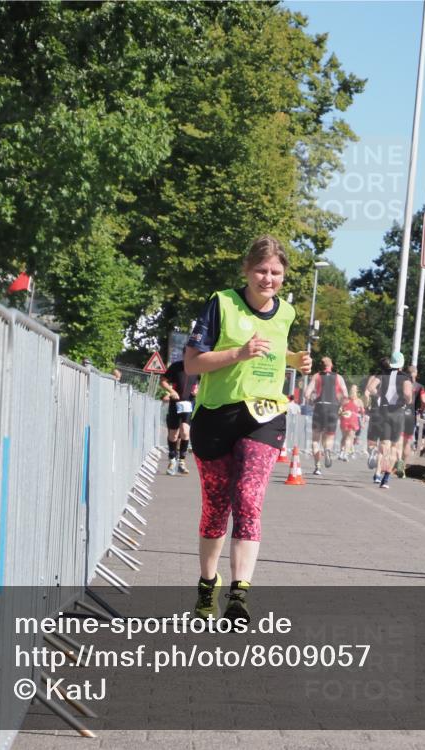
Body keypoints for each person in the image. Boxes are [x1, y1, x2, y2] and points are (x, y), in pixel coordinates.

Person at [184, 236, 311, 621]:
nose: (268, 278)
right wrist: (238, 353)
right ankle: (208, 586)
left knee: (249, 498)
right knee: (216, 507)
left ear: (284, 275)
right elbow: (191, 363)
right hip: (215, 416)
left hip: (264, 416)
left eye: (275, 272)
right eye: (261, 270)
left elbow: (273, 348)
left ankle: (240, 595)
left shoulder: (286, 313)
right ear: (246, 270)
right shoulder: (221, 303)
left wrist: (295, 359)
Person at [365, 353, 412, 489]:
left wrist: (379, 394)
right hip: (397, 412)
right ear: (401, 364)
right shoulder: (405, 378)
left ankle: (377, 470)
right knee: (394, 447)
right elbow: (408, 394)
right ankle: (385, 479)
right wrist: (407, 401)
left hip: (384, 410)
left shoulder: (383, 375)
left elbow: (370, 388)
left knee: (384, 444)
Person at [305, 356, 348, 475]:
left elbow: (306, 393)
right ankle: (328, 450)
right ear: (331, 365)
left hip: (319, 407)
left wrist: (311, 402)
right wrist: (340, 406)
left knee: (315, 439)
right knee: (329, 436)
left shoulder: (316, 376)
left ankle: (317, 466)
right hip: (333, 407)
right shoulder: (338, 377)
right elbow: (345, 395)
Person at [162, 357, 199, 475]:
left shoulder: (198, 367)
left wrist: (198, 389)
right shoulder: (176, 366)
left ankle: (182, 461)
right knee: (173, 435)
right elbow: (162, 380)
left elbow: (204, 382)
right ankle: (172, 459)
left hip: (189, 403)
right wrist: (171, 392)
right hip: (175, 403)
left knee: (185, 431)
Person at [401, 365, 425, 475]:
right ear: (416, 374)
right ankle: (403, 466)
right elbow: (424, 401)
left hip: (398, 412)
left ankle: (395, 462)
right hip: (411, 414)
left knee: (397, 440)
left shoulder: (401, 383)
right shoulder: (420, 387)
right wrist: (421, 410)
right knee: (407, 442)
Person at [338, 384, 364, 460]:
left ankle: (341, 452)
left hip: (345, 418)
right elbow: (363, 413)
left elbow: (340, 410)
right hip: (353, 419)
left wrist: (340, 417)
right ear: (357, 391)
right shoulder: (359, 401)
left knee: (344, 437)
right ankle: (345, 454)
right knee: (349, 438)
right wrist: (362, 422)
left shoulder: (345, 400)